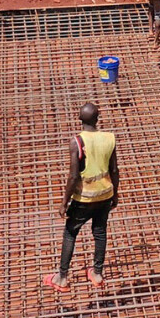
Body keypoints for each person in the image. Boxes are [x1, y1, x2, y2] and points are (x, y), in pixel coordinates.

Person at [45, 102, 120, 293]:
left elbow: (73, 176)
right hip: (105, 195)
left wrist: (64, 203)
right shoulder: (109, 138)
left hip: (84, 199)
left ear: (79, 119)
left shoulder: (77, 142)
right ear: (97, 119)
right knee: (100, 232)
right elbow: (114, 170)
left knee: (70, 233)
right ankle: (97, 273)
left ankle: (61, 278)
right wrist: (115, 194)